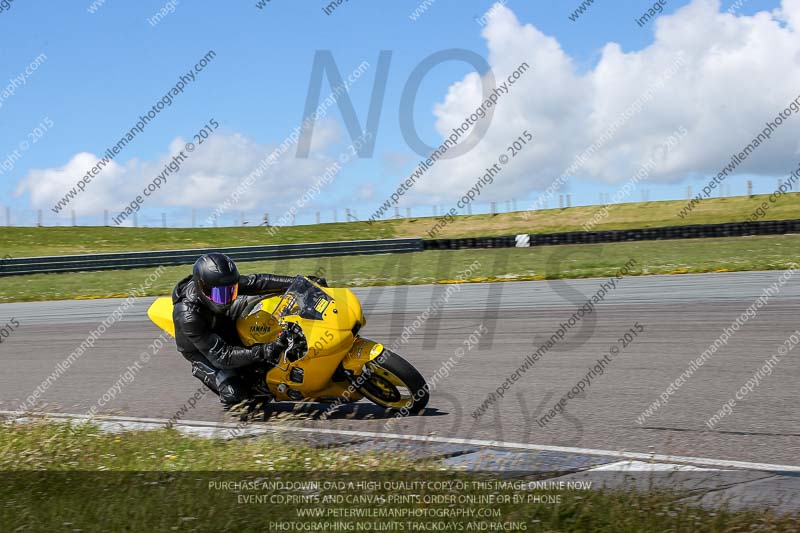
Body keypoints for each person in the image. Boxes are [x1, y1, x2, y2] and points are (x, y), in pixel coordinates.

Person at [171, 252, 324, 406]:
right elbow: (222, 356)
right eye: (221, 295)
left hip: (223, 321)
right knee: (238, 395)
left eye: (231, 292)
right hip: (204, 350)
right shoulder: (188, 315)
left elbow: (257, 282)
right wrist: (264, 351)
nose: (227, 299)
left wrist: (302, 284)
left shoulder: (222, 283)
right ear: (203, 288)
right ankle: (208, 374)